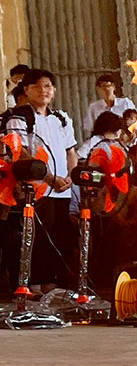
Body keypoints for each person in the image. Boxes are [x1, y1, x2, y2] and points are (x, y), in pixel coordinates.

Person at [4, 69, 78, 291]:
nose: (43, 91)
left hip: (62, 188)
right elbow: (21, 152)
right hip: (34, 189)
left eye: (47, 86)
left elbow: (71, 151)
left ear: (53, 91)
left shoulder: (62, 118)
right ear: (26, 90)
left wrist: (70, 177)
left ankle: (51, 282)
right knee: (35, 236)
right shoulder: (18, 117)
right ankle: (33, 284)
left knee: (59, 236)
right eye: (36, 86)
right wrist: (49, 178)